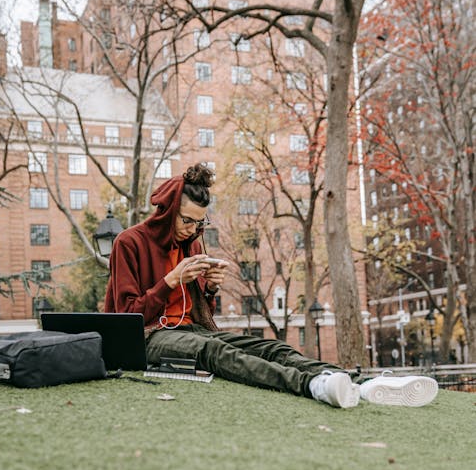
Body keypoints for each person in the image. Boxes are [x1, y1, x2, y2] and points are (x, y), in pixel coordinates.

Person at [104, 164, 438, 409]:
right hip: (150, 338)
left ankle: (360, 382)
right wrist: (170, 280)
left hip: (191, 331)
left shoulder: (192, 243)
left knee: (269, 348)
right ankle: (313, 385)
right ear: (167, 211)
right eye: (186, 220)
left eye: (199, 222)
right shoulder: (128, 243)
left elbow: (191, 311)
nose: (192, 230)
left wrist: (208, 290)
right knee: (217, 353)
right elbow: (125, 318)